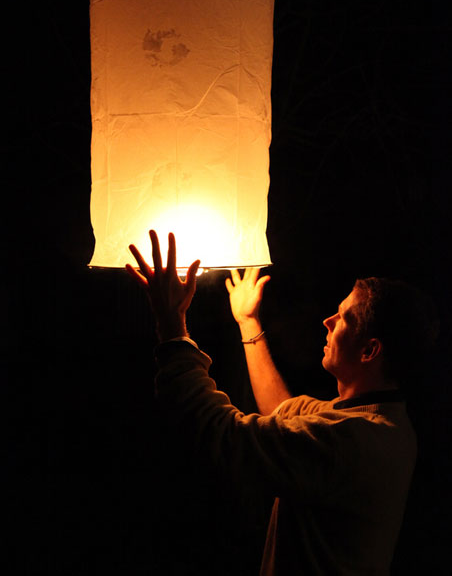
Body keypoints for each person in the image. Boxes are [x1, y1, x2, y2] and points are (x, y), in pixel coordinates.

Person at [127, 230, 430, 575]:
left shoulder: (355, 442)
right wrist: (248, 323)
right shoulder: (375, 421)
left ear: (369, 350)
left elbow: (222, 436)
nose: (327, 321)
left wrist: (172, 325)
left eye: (344, 317)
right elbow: (283, 413)